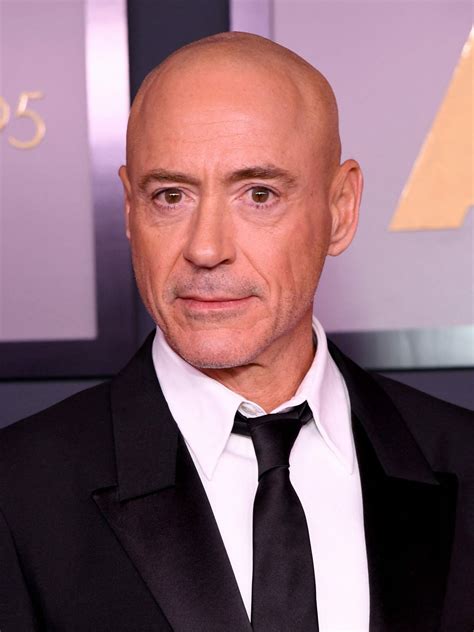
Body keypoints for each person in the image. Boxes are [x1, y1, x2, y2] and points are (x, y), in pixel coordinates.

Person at [0, 32, 472, 632]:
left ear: (340, 209)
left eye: (259, 194)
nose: (205, 248)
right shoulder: (17, 492)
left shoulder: (461, 459)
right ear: (129, 210)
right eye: (171, 196)